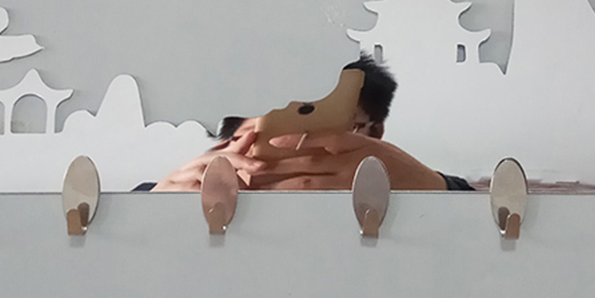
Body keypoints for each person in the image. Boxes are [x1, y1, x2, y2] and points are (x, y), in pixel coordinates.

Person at [138, 56, 473, 192]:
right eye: (263, 133)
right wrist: (154, 210)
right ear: (230, 141)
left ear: (374, 134)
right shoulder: (156, 199)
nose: (295, 148)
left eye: (318, 125)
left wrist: (432, 190)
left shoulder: (409, 197)